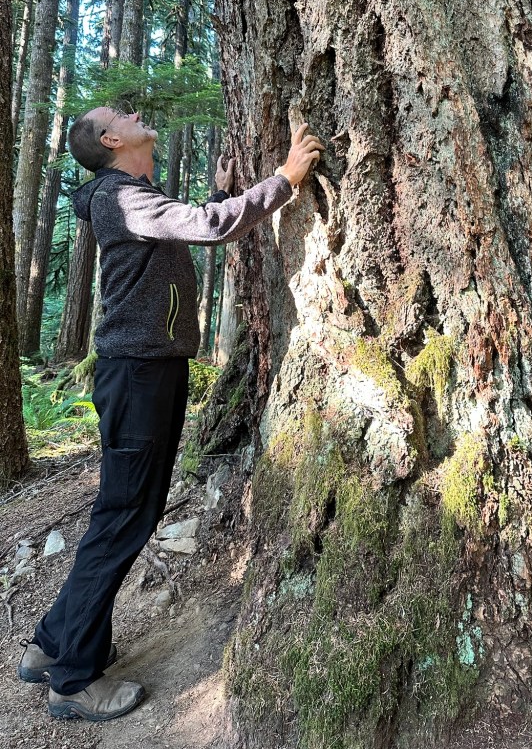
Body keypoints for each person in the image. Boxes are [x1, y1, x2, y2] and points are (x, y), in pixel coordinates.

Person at [18, 106, 324, 722]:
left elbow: (184, 227)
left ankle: (53, 645)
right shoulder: (120, 197)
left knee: (123, 513)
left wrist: (224, 191)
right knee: (125, 517)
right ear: (111, 141)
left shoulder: (132, 197)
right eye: (118, 114)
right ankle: (73, 678)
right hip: (139, 374)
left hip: (143, 371)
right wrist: (286, 179)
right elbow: (209, 226)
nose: (133, 113)